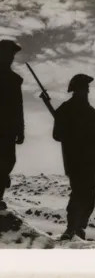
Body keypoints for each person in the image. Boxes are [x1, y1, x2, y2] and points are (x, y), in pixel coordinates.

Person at [53, 74, 95, 240]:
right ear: (77, 90)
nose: (87, 91)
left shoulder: (87, 111)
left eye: (87, 89)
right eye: (84, 88)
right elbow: (57, 134)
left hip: (85, 161)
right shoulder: (71, 110)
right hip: (79, 161)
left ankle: (79, 229)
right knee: (79, 195)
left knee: (86, 196)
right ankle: (73, 228)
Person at [0, 40, 25, 210]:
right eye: (8, 54)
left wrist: (20, 130)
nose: (10, 58)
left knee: (8, 162)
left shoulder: (15, 80)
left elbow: (18, 106)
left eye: (12, 55)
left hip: (8, 130)